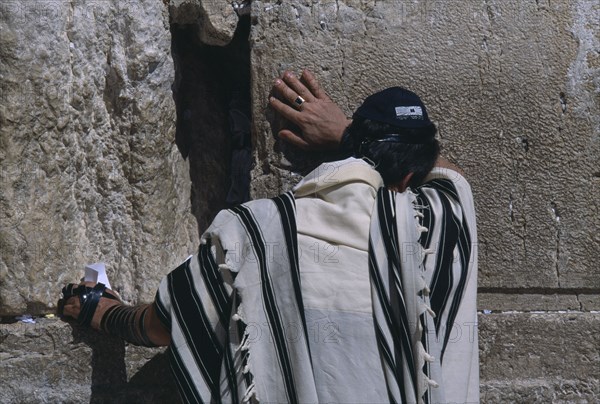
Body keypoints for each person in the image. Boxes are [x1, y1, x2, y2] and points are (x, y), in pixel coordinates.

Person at [60, 70, 479, 403]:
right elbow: (451, 174)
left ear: (353, 158)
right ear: (409, 177)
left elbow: (164, 323)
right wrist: (347, 132)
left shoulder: (255, 234)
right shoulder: (438, 226)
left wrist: (99, 311)